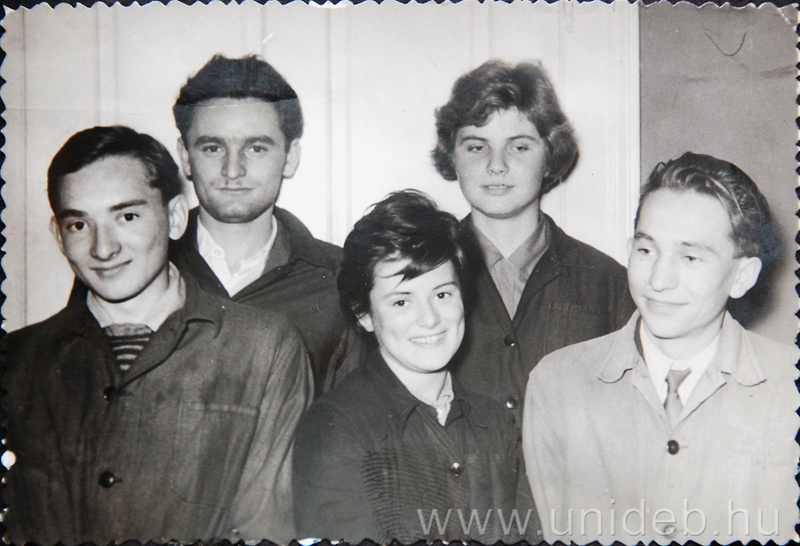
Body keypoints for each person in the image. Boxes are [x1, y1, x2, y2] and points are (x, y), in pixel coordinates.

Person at [2, 126, 312, 545]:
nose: (102, 249)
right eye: (78, 224)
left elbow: (266, 527)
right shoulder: (17, 360)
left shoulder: (262, 347)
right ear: (59, 235)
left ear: (175, 217)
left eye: (127, 217)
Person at [523, 152, 799, 544]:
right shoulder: (557, 384)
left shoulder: (789, 390)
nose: (658, 279)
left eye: (690, 256)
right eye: (646, 250)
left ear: (742, 276)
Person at [293, 191, 540, 544]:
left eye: (442, 294)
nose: (430, 319)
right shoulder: (335, 428)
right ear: (364, 314)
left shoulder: (497, 422)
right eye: (401, 302)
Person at [432, 60, 636, 423]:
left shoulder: (610, 284)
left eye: (519, 147)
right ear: (452, 155)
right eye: (477, 147)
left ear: (550, 156)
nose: (496, 165)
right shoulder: (423, 272)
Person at [170, 55, 364, 396]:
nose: (233, 170)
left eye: (256, 148)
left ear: (290, 157)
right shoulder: (137, 266)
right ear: (186, 157)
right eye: (213, 148)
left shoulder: (340, 280)